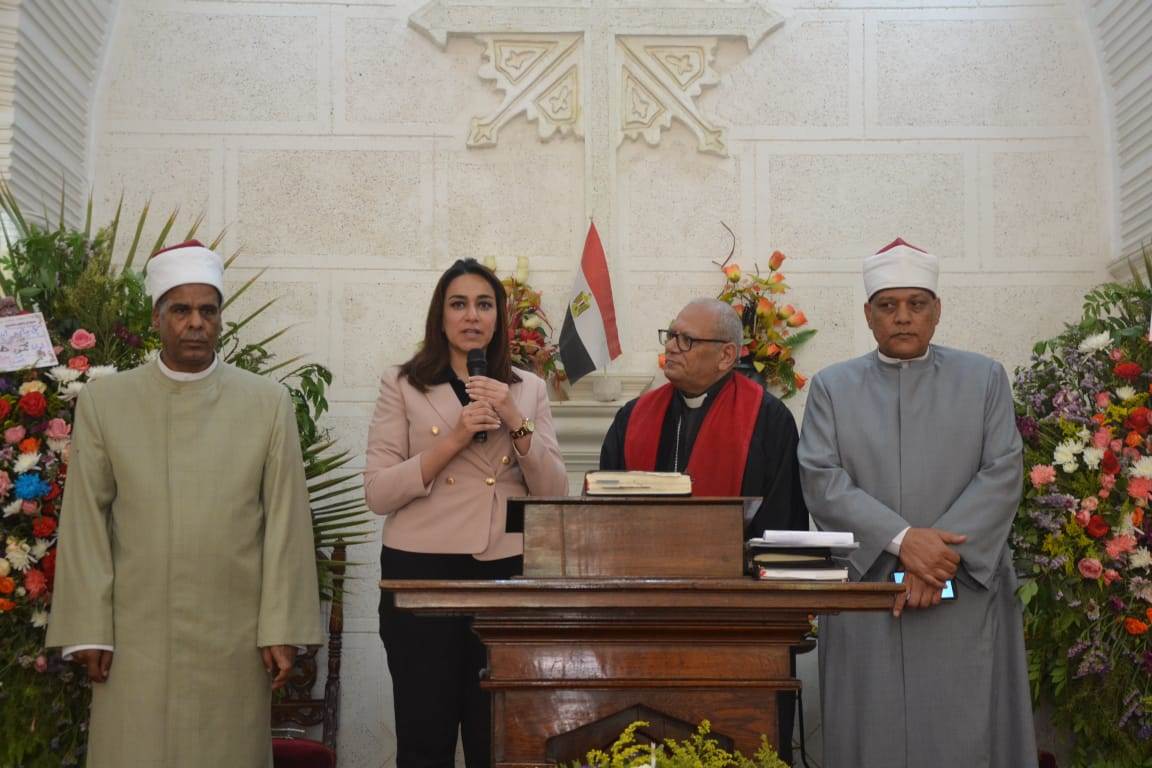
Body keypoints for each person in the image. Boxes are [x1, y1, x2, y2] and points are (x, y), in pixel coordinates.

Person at [46, 240, 322, 768]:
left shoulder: (267, 403)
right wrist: (87, 628)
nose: (195, 323)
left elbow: (287, 522)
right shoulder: (107, 401)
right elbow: (85, 519)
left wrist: (282, 627)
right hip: (134, 634)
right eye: (181, 310)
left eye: (207, 310)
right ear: (157, 317)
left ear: (220, 318)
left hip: (234, 635)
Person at [797, 238, 1036, 768]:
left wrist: (937, 563)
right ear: (868, 315)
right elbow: (821, 478)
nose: (902, 317)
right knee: (872, 736)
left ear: (937, 310)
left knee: (967, 735)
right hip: (871, 592)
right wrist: (905, 543)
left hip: (964, 591)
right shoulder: (832, 387)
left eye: (916, 304)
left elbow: (1002, 472)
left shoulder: (984, 378)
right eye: (888, 305)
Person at [364, 258, 568, 768]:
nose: (472, 316)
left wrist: (515, 418)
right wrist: (454, 438)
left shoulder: (528, 388)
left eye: (484, 304)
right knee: (424, 737)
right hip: (421, 574)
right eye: (459, 304)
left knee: (497, 738)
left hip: (505, 573)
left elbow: (554, 492)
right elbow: (378, 492)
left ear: (499, 317)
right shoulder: (402, 383)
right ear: (441, 316)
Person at [598, 296, 808, 763]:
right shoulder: (633, 417)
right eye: (670, 335)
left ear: (727, 355)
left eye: (686, 340)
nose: (671, 347)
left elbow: (782, 525)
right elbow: (604, 519)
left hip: (737, 627)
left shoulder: (768, 421)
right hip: (644, 621)